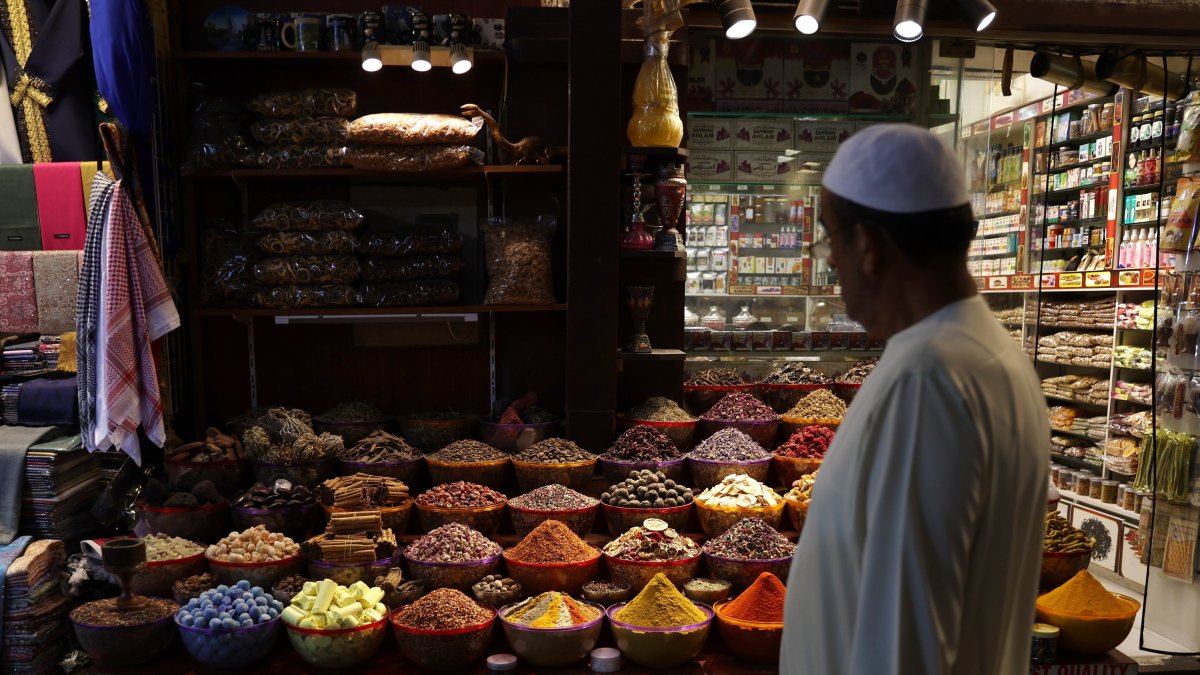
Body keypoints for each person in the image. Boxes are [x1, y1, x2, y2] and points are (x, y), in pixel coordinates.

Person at [781, 124, 1048, 675]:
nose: (830, 262)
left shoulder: (926, 380)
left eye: (830, 239)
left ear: (868, 247)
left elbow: (904, 644)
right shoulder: (993, 355)